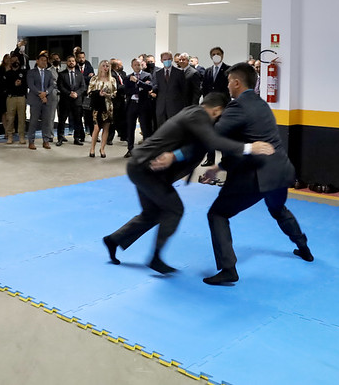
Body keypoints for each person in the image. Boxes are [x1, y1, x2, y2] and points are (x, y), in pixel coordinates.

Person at [103, 92, 276, 274]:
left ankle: (114, 240)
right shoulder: (198, 115)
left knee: (152, 213)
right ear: (217, 111)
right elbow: (213, 141)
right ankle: (155, 258)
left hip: (146, 168)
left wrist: (178, 156)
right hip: (147, 169)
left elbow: (195, 147)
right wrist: (250, 148)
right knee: (174, 209)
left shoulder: (195, 115)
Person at [201, 63, 313, 285]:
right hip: (281, 171)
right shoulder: (262, 105)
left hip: (257, 175)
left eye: (229, 82)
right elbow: (245, 145)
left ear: (236, 82)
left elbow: (212, 137)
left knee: (217, 214)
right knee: (278, 209)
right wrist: (219, 168)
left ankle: (228, 269)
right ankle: (304, 248)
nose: (228, 86)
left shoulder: (236, 107)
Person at [201, 46, 231, 166]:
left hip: (222, 107)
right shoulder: (208, 71)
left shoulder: (228, 70)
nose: (216, 55)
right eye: (213, 54)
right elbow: (205, 88)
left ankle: (224, 160)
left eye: (218, 53)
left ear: (222, 55)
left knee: (222, 134)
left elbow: (228, 89)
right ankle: (210, 158)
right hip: (210, 108)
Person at [123, 58, 154, 158]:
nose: (137, 66)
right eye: (135, 65)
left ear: (142, 65)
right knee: (130, 127)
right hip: (132, 104)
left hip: (143, 104)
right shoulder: (128, 77)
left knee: (145, 127)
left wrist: (138, 82)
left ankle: (146, 150)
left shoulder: (147, 75)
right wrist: (139, 89)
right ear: (132, 66)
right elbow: (126, 90)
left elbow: (149, 87)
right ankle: (130, 149)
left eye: (139, 64)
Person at [87, 60, 117, 158]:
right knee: (96, 128)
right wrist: (98, 93)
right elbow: (89, 91)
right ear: (100, 67)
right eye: (103, 66)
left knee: (106, 128)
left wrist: (107, 94)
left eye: (107, 66)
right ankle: (92, 148)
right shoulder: (94, 79)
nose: (105, 68)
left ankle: (102, 148)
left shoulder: (112, 80)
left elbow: (114, 93)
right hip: (97, 106)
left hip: (108, 106)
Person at [26, 52, 56, 150]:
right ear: (37, 61)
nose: (44, 62)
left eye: (45, 61)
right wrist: (41, 94)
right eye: (42, 60)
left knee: (46, 121)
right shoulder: (31, 72)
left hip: (46, 100)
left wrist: (46, 93)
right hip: (35, 100)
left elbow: (52, 85)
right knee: (33, 121)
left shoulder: (48, 72)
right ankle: (31, 141)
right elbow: (31, 85)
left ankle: (46, 140)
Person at [56, 54, 85, 146]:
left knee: (77, 120)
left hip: (77, 101)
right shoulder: (61, 74)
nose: (71, 62)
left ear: (75, 62)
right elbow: (60, 86)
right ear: (66, 63)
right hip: (65, 101)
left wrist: (77, 93)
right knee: (62, 121)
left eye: (73, 61)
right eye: (69, 61)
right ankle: (60, 138)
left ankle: (77, 138)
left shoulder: (79, 74)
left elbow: (83, 86)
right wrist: (69, 93)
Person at [151, 51, 186, 127]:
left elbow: (184, 90)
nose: (167, 61)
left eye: (169, 59)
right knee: (162, 128)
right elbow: (156, 86)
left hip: (175, 106)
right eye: (165, 59)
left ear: (172, 59)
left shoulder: (179, 72)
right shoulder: (158, 73)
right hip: (161, 106)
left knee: (175, 128)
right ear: (161, 60)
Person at [4, 56, 28, 144]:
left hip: (21, 97)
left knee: (22, 118)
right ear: (11, 62)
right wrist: (14, 84)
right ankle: (10, 136)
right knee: (10, 118)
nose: (16, 62)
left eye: (17, 60)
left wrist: (21, 84)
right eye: (14, 61)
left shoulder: (24, 73)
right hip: (11, 98)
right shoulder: (8, 73)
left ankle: (21, 136)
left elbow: (26, 84)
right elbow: (5, 86)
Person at [107, 58, 128, 145]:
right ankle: (109, 138)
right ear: (116, 66)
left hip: (123, 100)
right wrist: (127, 86)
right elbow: (117, 87)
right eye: (120, 65)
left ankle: (124, 136)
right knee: (113, 120)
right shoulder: (111, 75)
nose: (122, 66)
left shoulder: (123, 73)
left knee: (123, 119)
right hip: (114, 100)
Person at [76, 50, 95, 137]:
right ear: (77, 58)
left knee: (89, 115)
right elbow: (76, 80)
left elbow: (92, 79)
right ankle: (81, 135)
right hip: (78, 93)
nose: (81, 59)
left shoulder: (88, 65)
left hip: (87, 94)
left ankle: (93, 133)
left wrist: (83, 78)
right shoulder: (74, 66)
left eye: (83, 57)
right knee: (79, 115)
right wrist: (86, 77)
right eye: (79, 58)